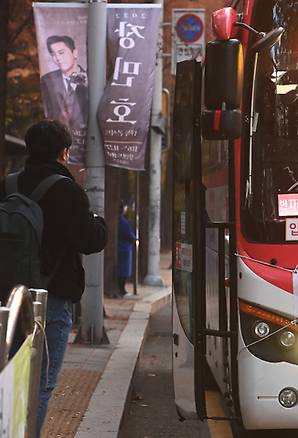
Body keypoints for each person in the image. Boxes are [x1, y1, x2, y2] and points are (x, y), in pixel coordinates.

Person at [0, 120, 107, 436]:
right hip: (50, 298)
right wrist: (97, 219)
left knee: (8, 371)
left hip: (6, 297)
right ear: (64, 152)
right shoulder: (68, 190)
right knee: (41, 379)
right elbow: (91, 240)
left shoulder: (7, 186)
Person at [40, 35, 88, 131]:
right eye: (53, 54)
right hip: (58, 137)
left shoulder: (91, 79)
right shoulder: (47, 80)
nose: (57, 58)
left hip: (86, 138)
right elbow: (48, 112)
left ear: (74, 53)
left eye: (61, 53)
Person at [117, 201, 136, 297]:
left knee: (121, 270)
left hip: (120, 247)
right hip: (125, 248)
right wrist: (134, 239)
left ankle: (121, 289)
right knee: (124, 271)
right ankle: (122, 289)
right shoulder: (123, 222)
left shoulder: (119, 221)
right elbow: (130, 235)